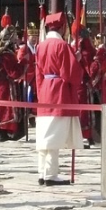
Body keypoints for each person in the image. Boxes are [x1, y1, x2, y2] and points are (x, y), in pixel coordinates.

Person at [35, 11, 83, 187]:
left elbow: (38, 73)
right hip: (59, 91)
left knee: (44, 134)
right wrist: (77, 60)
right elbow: (70, 73)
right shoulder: (62, 46)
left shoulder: (40, 46)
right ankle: (50, 173)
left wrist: (40, 91)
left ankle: (42, 171)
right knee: (54, 135)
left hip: (45, 89)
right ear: (62, 27)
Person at [0, 24, 27, 141]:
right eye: (14, 36)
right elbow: (13, 73)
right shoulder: (6, 54)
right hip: (5, 87)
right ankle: (3, 134)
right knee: (5, 110)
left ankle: (0, 134)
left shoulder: (1, 51)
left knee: (0, 108)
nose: (16, 38)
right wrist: (23, 63)